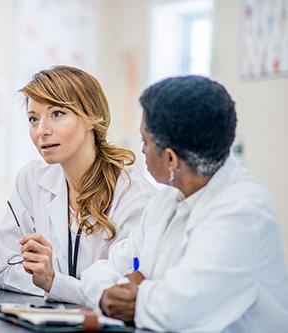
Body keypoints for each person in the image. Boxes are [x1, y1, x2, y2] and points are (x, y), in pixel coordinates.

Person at [81, 76, 288, 332]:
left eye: (145, 141)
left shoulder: (243, 211)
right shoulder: (167, 199)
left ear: (170, 159)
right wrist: (107, 293)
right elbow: (101, 270)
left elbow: (177, 312)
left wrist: (139, 293)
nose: (142, 150)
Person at [0, 66, 155, 304]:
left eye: (57, 114)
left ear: (91, 118)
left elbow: (121, 296)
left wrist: (53, 282)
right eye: (33, 119)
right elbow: (3, 268)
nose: (41, 131)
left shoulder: (133, 195)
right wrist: (67, 287)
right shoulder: (31, 179)